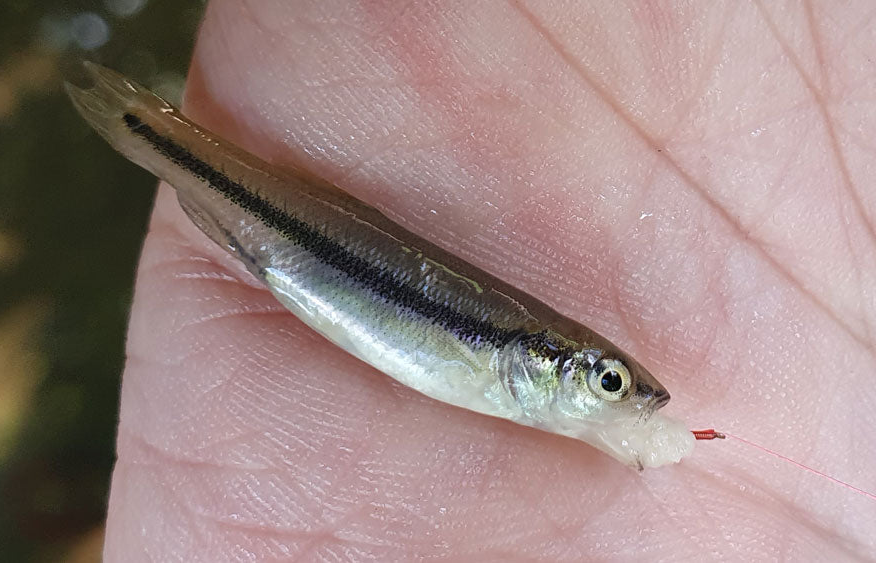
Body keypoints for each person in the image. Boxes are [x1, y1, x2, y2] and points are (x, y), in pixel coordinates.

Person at [102, 1, 876, 559]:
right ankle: (147, 131)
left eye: (612, 382)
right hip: (308, 245)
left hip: (307, 253)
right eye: (608, 380)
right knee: (230, 187)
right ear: (539, 360)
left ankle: (148, 131)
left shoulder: (522, 371)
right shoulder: (508, 360)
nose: (620, 393)